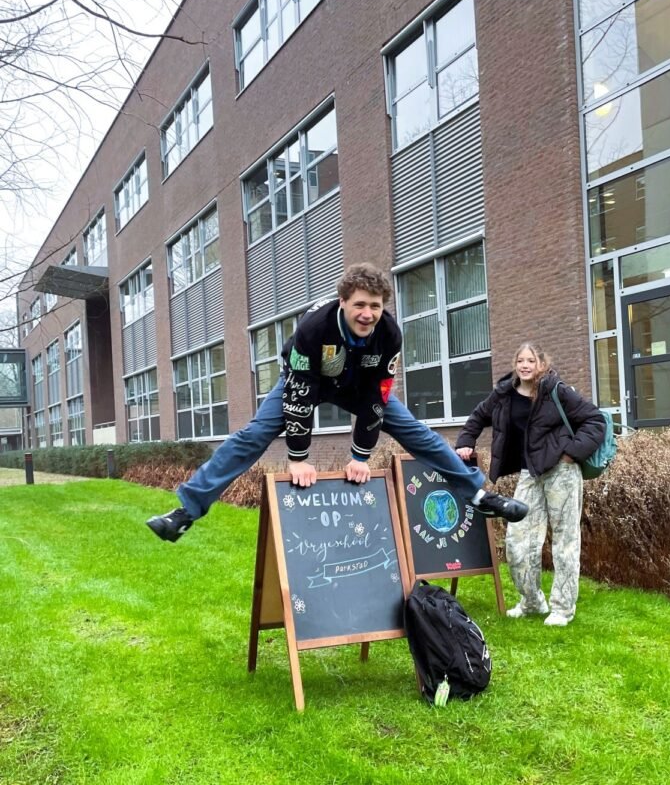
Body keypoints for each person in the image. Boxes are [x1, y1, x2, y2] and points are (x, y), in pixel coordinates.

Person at [147, 263, 528, 542]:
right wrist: (298, 458)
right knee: (253, 435)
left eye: (376, 306)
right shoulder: (313, 329)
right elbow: (299, 398)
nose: (368, 314)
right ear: (343, 301)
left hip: (358, 384)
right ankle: (186, 511)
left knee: (416, 432)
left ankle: (478, 494)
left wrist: (360, 456)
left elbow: (377, 399)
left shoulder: (390, 336)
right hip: (303, 379)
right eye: (360, 304)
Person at [455, 342, 605, 627]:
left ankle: (562, 608)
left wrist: (572, 453)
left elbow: (595, 421)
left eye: (530, 360)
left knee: (565, 542)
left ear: (541, 363)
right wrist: (465, 442)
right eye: (520, 360)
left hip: (561, 471)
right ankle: (532, 601)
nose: (525, 365)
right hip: (530, 473)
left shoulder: (556, 391)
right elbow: (478, 417)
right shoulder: (504, 394)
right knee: (517, 540)